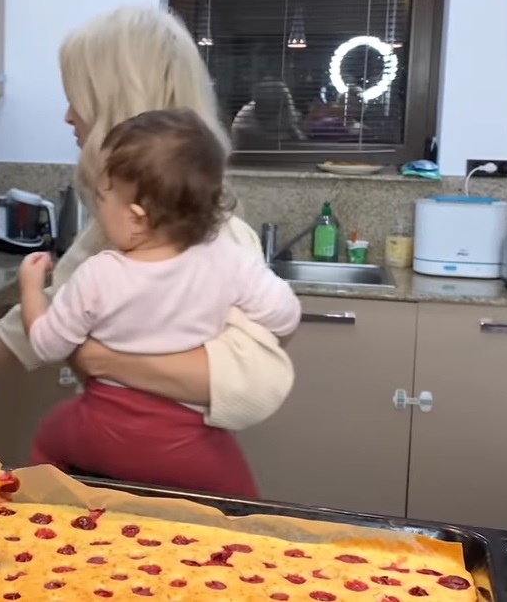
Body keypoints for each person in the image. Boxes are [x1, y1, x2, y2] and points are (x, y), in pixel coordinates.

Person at [0, 5, 296, 459]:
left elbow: (251, 381)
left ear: (115, 103)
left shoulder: (213, 239)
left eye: (78, 97)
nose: (68, 116)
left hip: (161, 468)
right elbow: (22, 333)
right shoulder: (127, 223)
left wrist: (101, 359)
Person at [17, 108, 302, 496]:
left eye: (101, 197)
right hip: (189, 442)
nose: (98, 210)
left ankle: (36, 518)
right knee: (242, 507)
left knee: (47, 442)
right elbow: (286, 316)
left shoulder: (99, 274)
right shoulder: (229, 260)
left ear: (136, 218)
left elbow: (47, 346)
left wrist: (31, 290)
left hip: (99, 428)